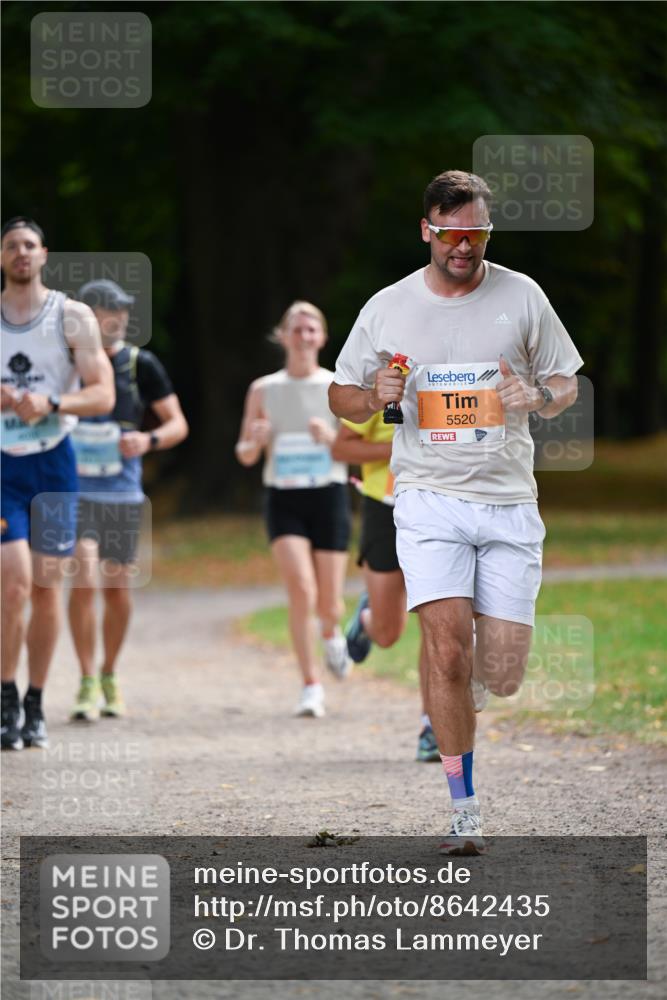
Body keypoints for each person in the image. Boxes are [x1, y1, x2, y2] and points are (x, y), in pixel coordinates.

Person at [329, 170, 583, 853]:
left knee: (498, 673)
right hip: (426, 499)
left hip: (505, 501)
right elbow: (341, 398)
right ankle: (463, 809)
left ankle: (465, 682)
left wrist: (535, 396)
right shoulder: (387, 307)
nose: (463, 248)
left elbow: (565, 383)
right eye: (450, 235)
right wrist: (372, 391)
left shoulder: (522, 295)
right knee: (445, 652)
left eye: (475, 234)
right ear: (426, 231)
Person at [1, 217, 115, 750]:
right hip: (4, 466)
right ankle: (6, 697)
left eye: (29, 245)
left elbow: (102, 395)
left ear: (44, 253)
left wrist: (50, 402)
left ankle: (35, 702)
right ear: (2, 258)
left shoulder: (72, 317)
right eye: (11, 246)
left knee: (47, 586)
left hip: (53, 463)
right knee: (15, 582)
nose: (21, 253)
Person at [67, 279, 189, 721]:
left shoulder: (142, 364)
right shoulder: (66, 363)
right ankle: (83, 680)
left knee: (117, 589)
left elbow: (178, 425)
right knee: (84, 579)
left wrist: (147, 439)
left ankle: (108, 673)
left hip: (121, 493)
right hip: (74, 492)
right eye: (105, 310)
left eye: (121, 309)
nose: (116, 317)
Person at [236, 301, 351, 718]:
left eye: (311, 330)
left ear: (321, 338)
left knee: (329, 602)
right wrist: (256, 438)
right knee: (301, 589)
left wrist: (331, 440)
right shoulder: (263, 389)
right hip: (284, 498)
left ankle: (332, 630)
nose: (303, 337)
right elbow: (245, 454)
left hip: (329, 495)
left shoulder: (337, 387)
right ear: (282, 336)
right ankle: (310, 685)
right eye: (296, 329)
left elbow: (356, 448)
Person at [331, 415, 438, 761]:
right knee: (387, 633)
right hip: (386, 507)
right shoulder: (385, 375)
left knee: (440, 625)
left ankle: (432, 727)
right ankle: (368, 620)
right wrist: (397, 447)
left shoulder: (456, 375)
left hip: (442, 506)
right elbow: (340, 446)